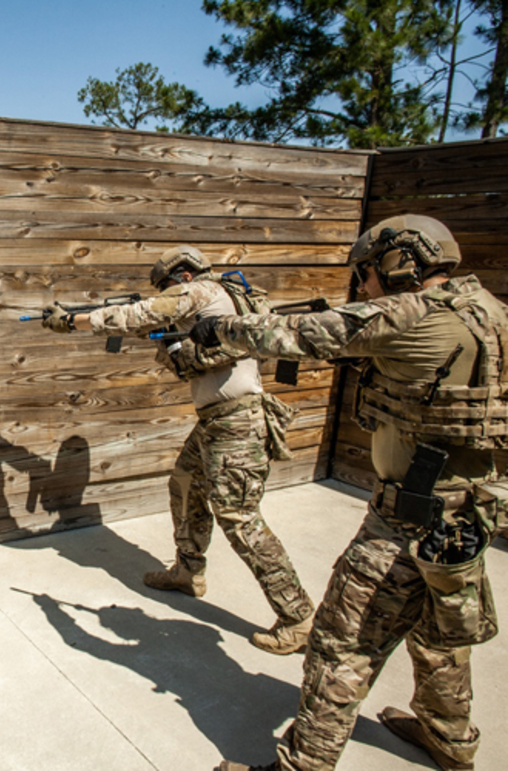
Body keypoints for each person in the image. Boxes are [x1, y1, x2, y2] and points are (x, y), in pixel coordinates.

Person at [197, 215, 504, 771]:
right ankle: (450, 740)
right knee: (439, 637)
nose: (361, 287)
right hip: (470, 511)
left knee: (341, 644)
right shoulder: (491, 311)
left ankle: (304, 764)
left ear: (398, 261)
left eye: (365, 274)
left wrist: (216, 330)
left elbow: (291, 337)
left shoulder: (408, 312)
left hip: (408, 519)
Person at [42, 246, 316, 654]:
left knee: (240, 519)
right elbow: (149, 324)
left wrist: (72, 321)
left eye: (166, 287)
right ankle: (189, 571)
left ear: (184, 276)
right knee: (185, 485)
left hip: (237, 424)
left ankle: (298, 616)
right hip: (217, 421)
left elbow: (137, 315)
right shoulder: (215, 300)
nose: (164, 296)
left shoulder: (202, 291)